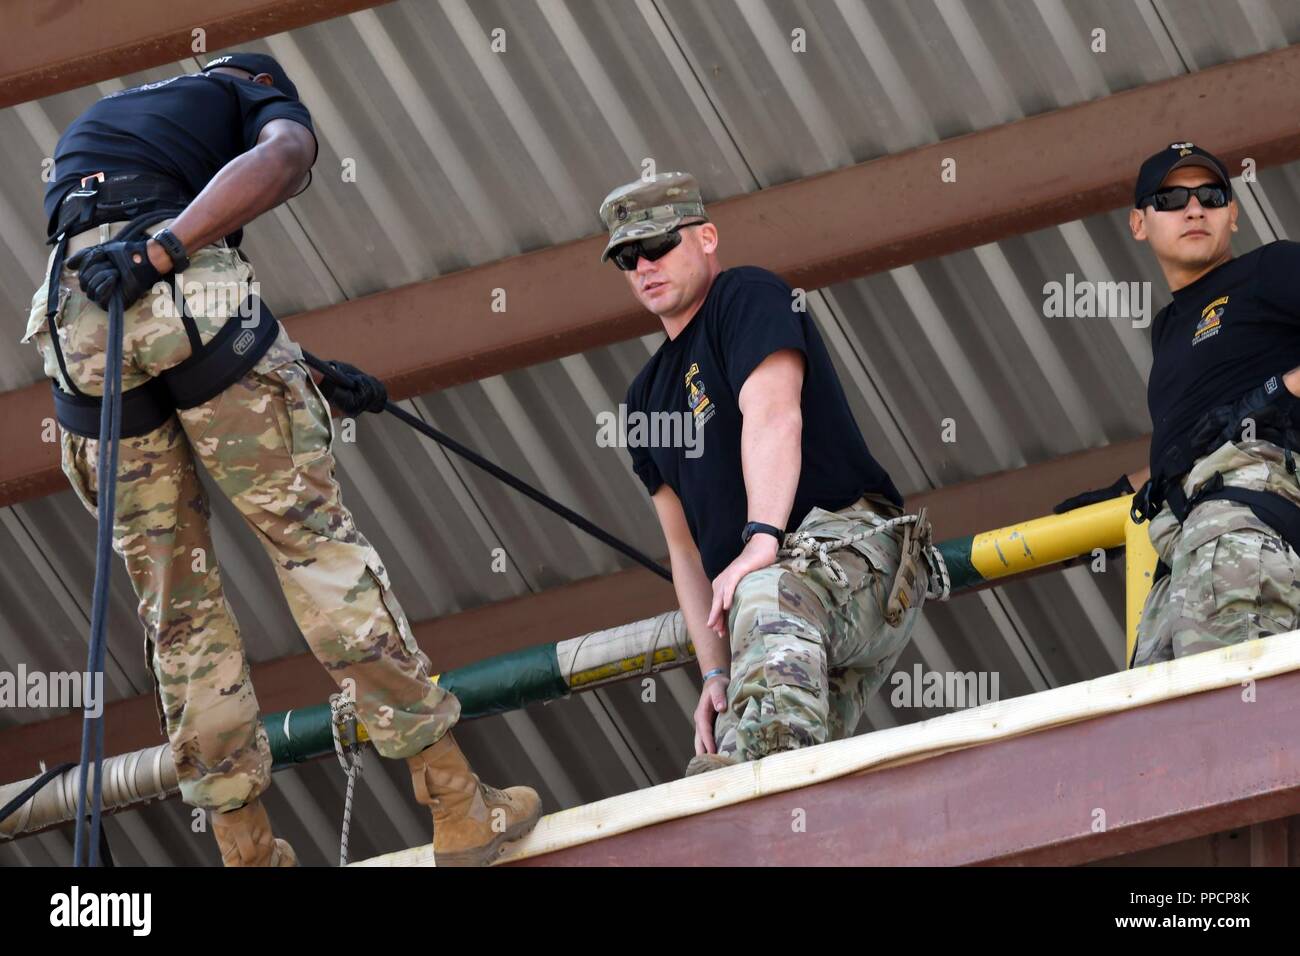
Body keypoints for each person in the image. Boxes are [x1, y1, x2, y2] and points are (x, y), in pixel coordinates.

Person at [23, 52, 539, 866]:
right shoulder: (245, 92)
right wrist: (163, 252)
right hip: (170, 280)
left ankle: (247, 851)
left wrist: (303, 369)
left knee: (179, 613)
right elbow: (281, 160)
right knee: (314, 550)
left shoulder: (110, 123)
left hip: (75, 321)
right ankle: (460, 807)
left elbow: (161, 315)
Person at [599, 172, 942, 776]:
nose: (643, 265)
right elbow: (684, 549)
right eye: (627, 257)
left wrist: (762, 540)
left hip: (851, 551)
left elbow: (773, 415)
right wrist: (715, 672)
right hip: (778, 615)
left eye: (657, 246)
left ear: (706, 237)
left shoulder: (746, 296)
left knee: (766, 610)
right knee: (741, 758)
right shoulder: (642, 399)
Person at [1055, 142, 1300, 667]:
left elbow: (1241, 424)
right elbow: (1205, 433)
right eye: (1170, 199)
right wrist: (1123, 492)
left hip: (1244, 527)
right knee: (1162, 739)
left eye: (1211, 196)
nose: (1194, 209)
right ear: (1139, 223)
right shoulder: (1167, 330)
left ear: (1233, 215)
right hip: (1179, 554)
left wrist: (1278, 393)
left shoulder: (1271, 268)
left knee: (1233, 723)